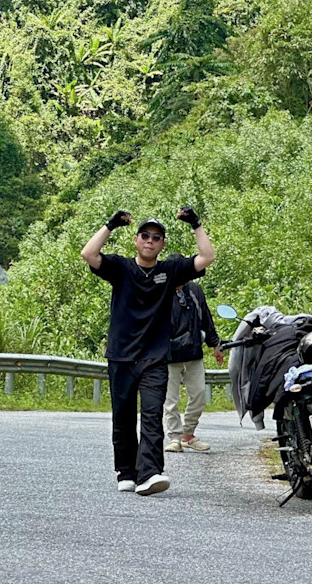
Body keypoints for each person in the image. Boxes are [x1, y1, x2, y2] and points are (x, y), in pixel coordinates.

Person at [82, 207, 215, 496]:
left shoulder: (169, 270)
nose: (150, 241)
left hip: (155, 358)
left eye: (156, 237)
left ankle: (150, 473)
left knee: (153, 414)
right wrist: (110, 225)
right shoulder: (121, 268)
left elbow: (206, 257)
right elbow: (89, 254)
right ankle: (126, 472)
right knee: (124, 417)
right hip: (121, 355)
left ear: (163, 244)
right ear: (136, 240)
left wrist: (196, 224)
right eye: (145, 236)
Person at [164, 280, 223, 454]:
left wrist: (215, 345)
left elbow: (206, 317)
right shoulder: (159, 289)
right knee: (170, 400)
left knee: (199, 395)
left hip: (193, 352)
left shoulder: (195, 290)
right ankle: (175, 438)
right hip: (168, 355)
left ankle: (188, 435)